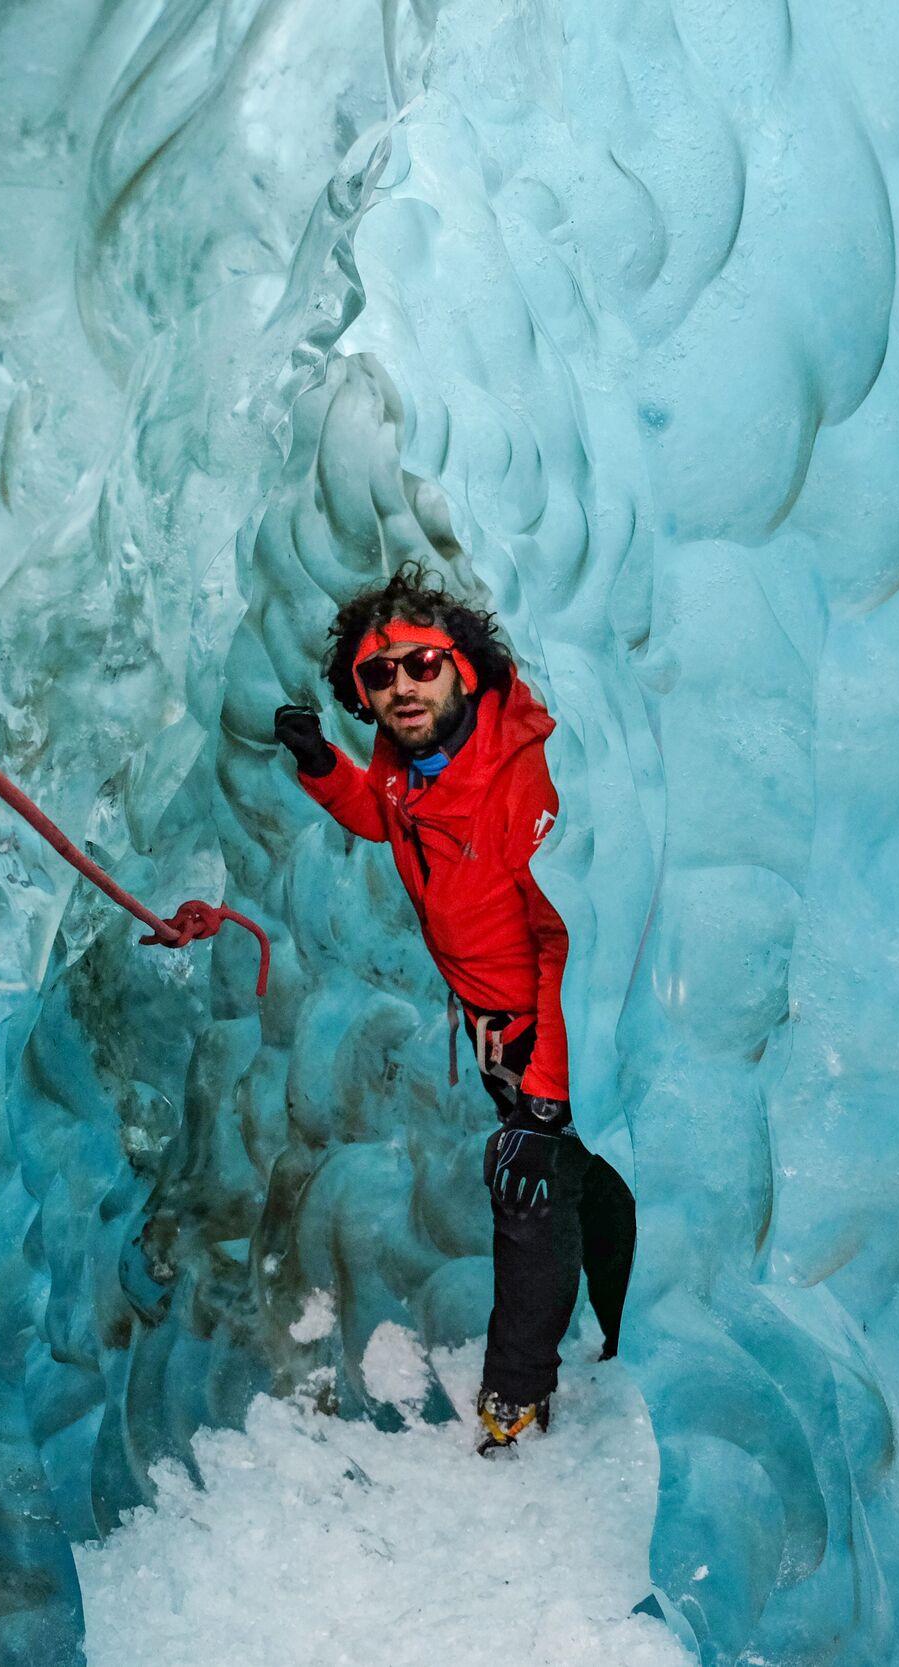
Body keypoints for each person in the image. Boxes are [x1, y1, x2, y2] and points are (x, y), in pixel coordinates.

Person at [271, 563, 636, 1456]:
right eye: (378, 674)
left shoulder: (522, 774)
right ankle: (614, 1325)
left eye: (421, 663)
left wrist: (546, 1095)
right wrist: (325, 767)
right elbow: (387, 813)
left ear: (465, 668)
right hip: (499, 1028)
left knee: (531, 1192)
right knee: (584, 1179)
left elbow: (566, 940)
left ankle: (518, 1393)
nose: (400, 685)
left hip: (560, 1029)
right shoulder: (411, 763)